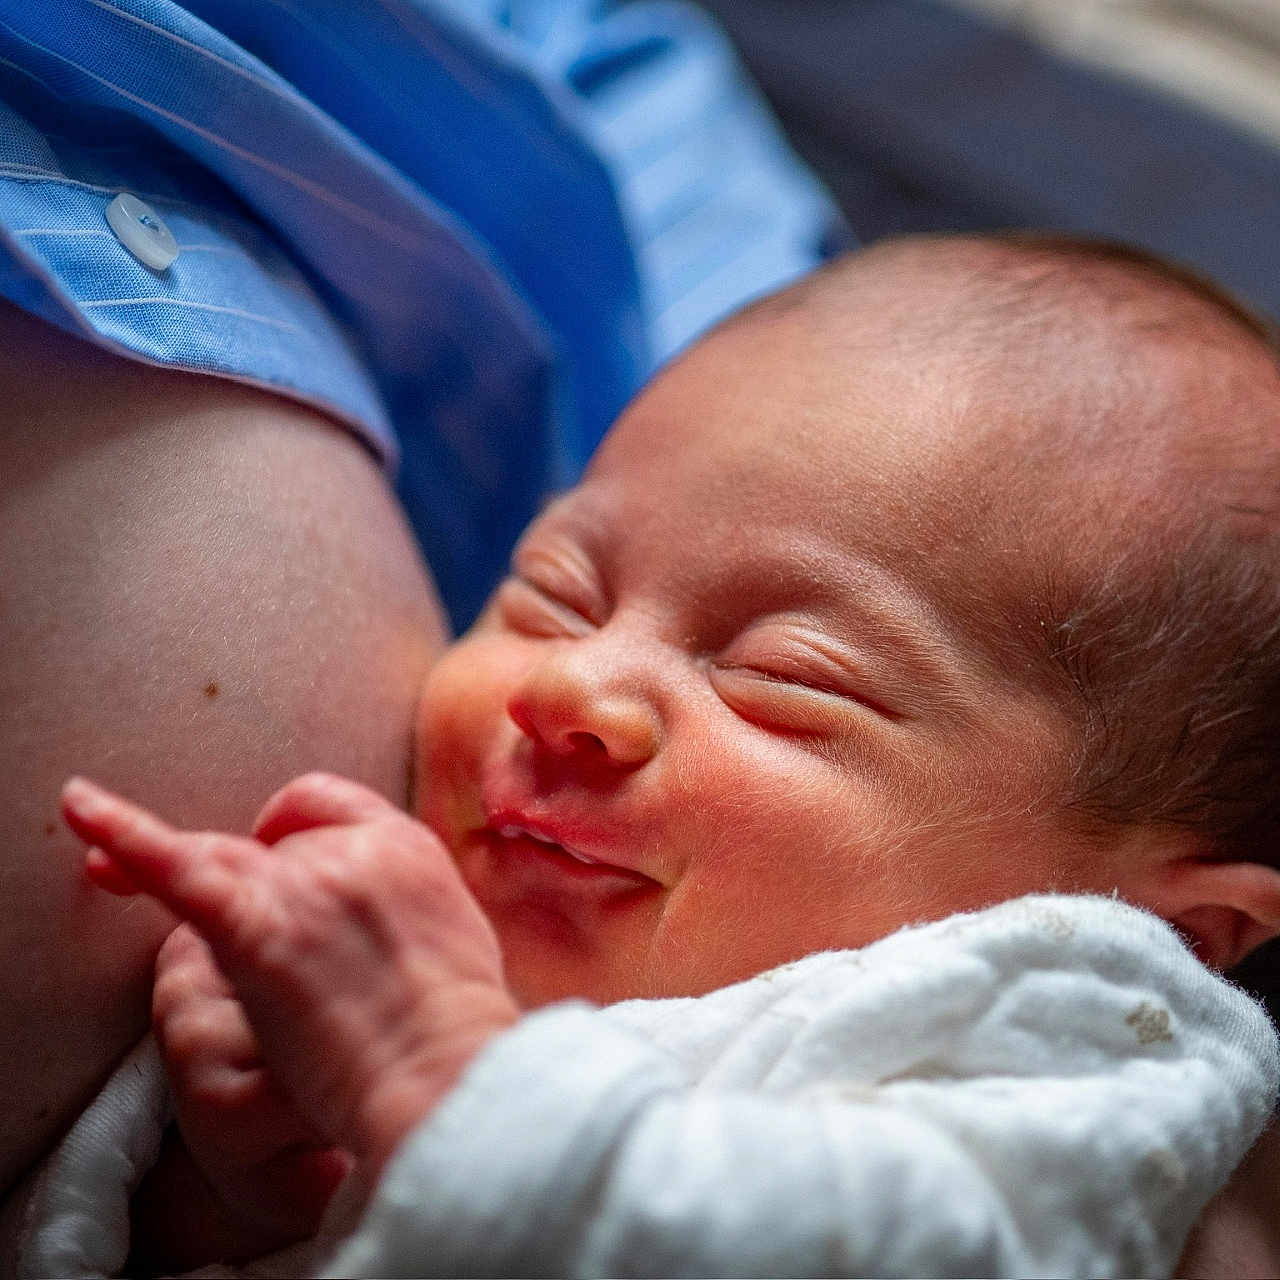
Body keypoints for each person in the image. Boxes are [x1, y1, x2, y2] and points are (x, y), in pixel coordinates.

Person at [44, 232, 1280, 1276]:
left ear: (1159, 931)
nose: (572, 685)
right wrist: (248, 1185)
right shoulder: (439, 942)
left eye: (787, 677)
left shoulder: (1084, 1045)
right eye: (553, 591)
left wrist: (434, 1077)